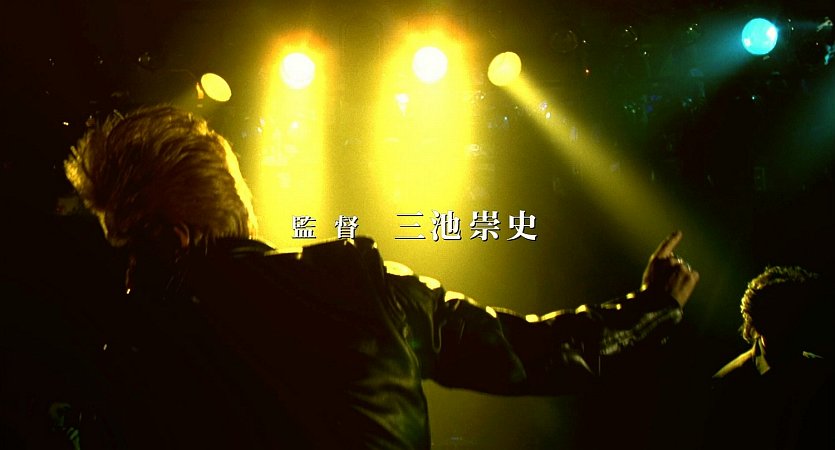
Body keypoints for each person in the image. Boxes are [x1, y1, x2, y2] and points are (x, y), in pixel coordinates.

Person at [59, 104, 699, 449]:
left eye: (128, 250)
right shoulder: (367, 286)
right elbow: (535, 352)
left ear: (175, 238)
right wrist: (654, 305)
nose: (127, 275)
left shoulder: (128, 355)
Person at [705, 266, 834, 450]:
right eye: (790, 313)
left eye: (803, 310)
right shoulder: (729, 385)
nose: (800, 320)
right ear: (761, 320)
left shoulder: (821, 372)